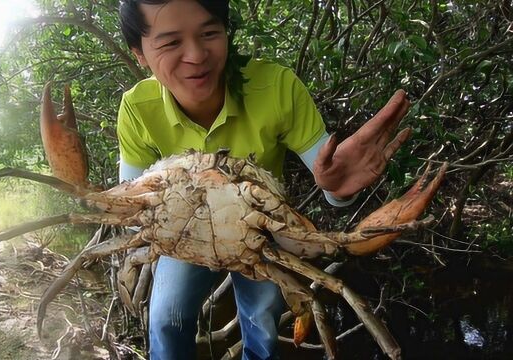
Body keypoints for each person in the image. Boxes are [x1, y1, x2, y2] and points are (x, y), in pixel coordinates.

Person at [116, 1, 411, 359]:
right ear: (140, 53)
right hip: (182, 230)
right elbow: (129, 212)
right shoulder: (137, 107)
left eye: (210, 33)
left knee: (263, 322)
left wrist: (336, 189)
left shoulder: (276, 87)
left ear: (227, 32)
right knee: (165, 318)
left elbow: (333, 174)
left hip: (262, 233)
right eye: (170, 43)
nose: (196, 55)